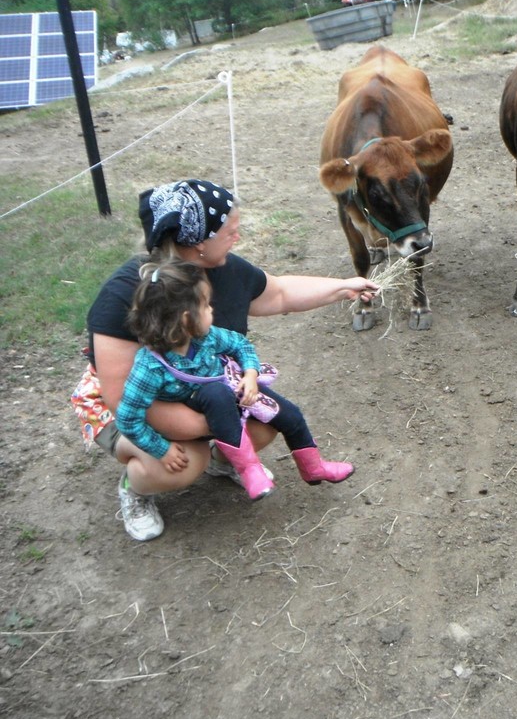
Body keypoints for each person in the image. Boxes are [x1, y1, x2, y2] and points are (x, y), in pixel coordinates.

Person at [71, 179, 379, 541]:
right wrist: (221, 422)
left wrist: (343, 287)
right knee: (184, 465)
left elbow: (278, 293)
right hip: (133, 404)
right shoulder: (126, 293)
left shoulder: (221, 268)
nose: (237, 237)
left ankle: (227, 459)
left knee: (265, 422)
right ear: (199, 242)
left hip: (201, 387)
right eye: (230, 231)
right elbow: (124, 400)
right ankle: (136, 487)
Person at [117, 259, 355, 502]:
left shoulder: (206, 337)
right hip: (199, 410)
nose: (212, 310)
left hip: (232, 391)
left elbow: (240, 345)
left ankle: (313, 467)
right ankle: (249, 470)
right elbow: (128, 418)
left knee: (288, 413)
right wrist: (161, 449)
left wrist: (250, 374)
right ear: (187, 320)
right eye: (206, 306)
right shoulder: (150, 367)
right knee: (215, 394)